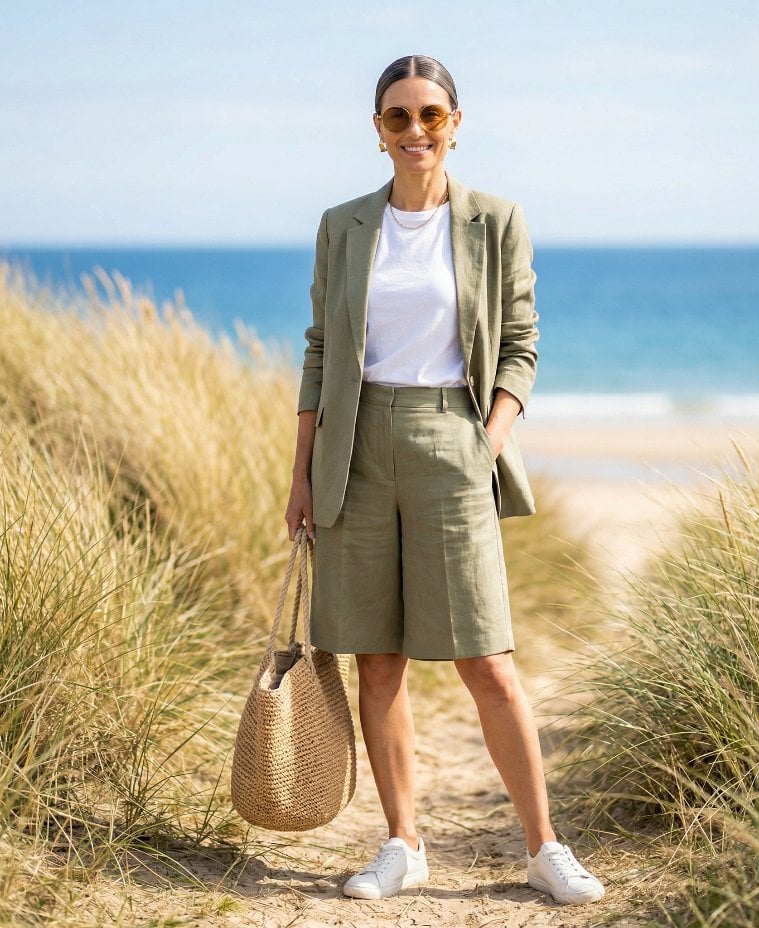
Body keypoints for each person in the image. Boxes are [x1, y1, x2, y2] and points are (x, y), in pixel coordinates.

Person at [284, 54, 604, 907]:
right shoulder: (343, 225)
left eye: (431, 114)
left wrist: (485, 443)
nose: (415, 130)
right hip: (352, 445)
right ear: (377, 131)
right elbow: (321, 351)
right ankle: (403, 844)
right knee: (376, 662)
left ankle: (544, 847)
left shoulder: (496, 221)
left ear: (456, 123)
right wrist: (302, 475)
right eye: (398, 117)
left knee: (487, 661)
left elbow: (522, 345)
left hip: (452, 440)